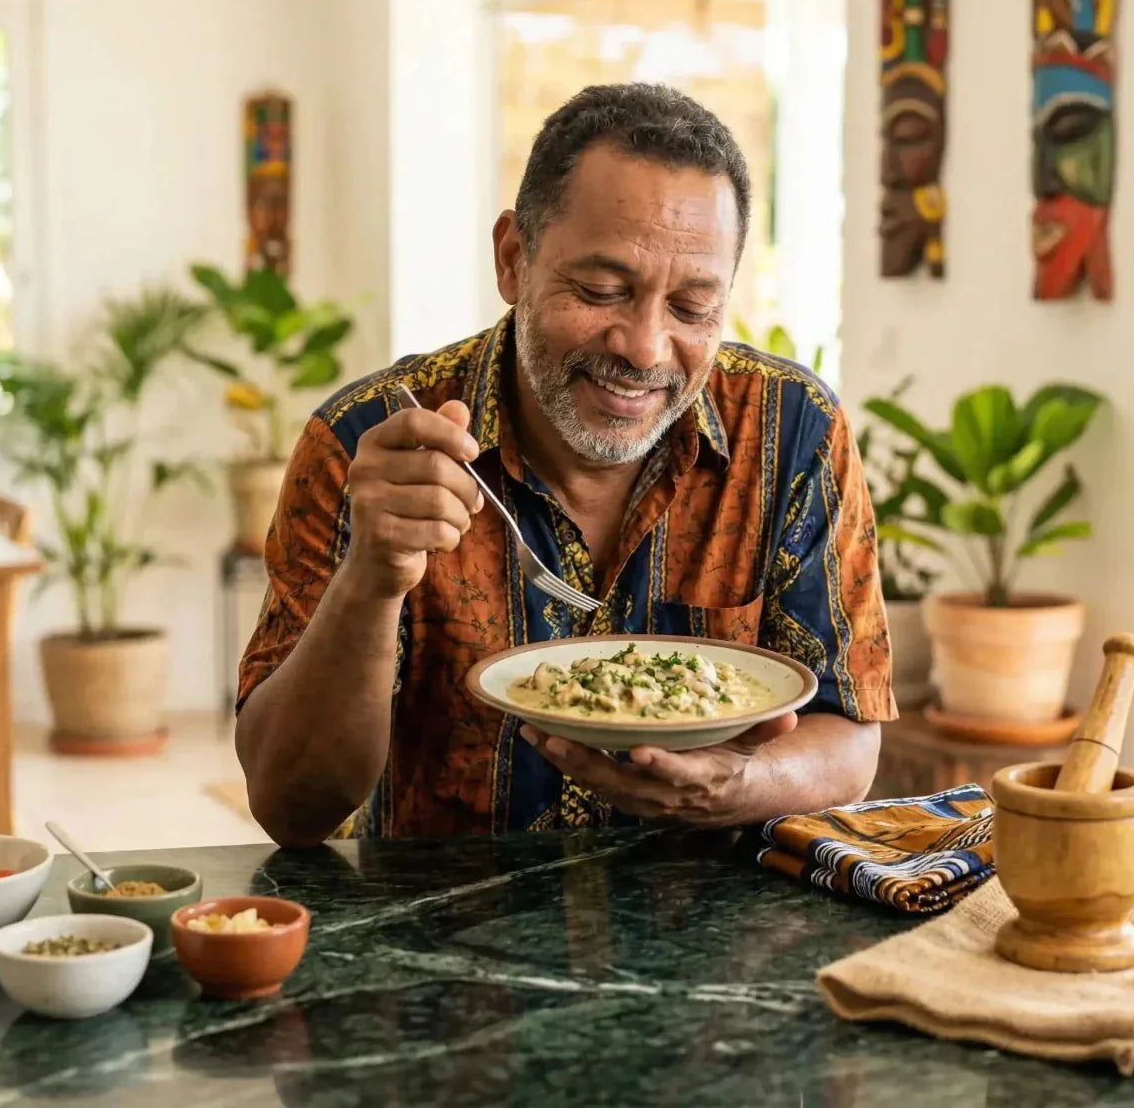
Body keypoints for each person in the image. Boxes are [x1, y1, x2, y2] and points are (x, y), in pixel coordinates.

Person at [235, 83, 895, 847]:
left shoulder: (789, 429)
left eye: (691, 308)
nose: (644, 348)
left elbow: (849, 736)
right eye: (602, 290)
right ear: (513, 260)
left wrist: (735, 788)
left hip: (714, 907)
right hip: (450, 909)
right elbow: (290, 807)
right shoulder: (371, 444)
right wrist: (372, 580)